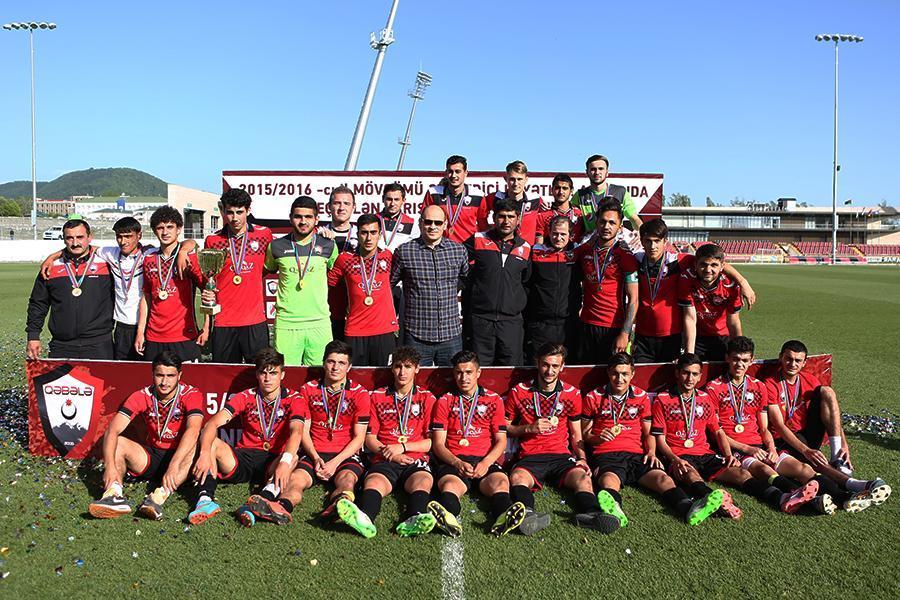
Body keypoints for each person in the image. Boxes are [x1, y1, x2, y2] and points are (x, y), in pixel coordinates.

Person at [708, 336, 882, 514]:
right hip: (747, 447)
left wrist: (771, 448)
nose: (740, 364)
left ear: (751, 360)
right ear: (727, 358)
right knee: (766, 469)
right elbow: (718, 431)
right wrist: (749, 449)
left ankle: (845, 495)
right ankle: (816, 499)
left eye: (745, 360)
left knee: (804, 468)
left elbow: (764, 428)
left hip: (766, 445)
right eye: (736, 359)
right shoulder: (715, 388)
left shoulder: (758, 386)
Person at [652, 353, 818, 519]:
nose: (690, 378)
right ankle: (713, 501)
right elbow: (660, 439)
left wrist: (728, 455)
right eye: (686, 373)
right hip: (680, 455)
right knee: (691, 474)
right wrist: (675, 459)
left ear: (700, 376)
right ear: (677, 373)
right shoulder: (663, 399)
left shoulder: (704, 398)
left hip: (706, 454)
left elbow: (718, 431)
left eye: (694, 374)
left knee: (742, 474)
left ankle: (782, 498)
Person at [582, 352, 724, 528]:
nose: (620, 379)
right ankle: (615, 509)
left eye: (625, 374)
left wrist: (651, 452)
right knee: (609, 480)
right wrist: (597, 438)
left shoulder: (641, 397)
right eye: (615, 373)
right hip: (607, 454)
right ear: (608, 373)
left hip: (638, 454)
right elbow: (585, 436)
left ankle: (689, 508)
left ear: (632, 374)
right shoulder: (593, 397)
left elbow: (648, 432)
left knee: (663, 480)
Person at [763, 340, 891, 507]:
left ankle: (836, 456)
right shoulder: (770, 383)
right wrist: (806, 450)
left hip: (806, 433)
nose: (792, 364)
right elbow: (779, 426)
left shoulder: (809, 380)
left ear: (804, 362)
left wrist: (844, 444)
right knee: (812, 463)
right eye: (789, 358)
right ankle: (858, 486)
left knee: (827, 392)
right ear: (780, 357)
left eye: (798, 360)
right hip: (784, 438)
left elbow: (832, 414)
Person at [188, 347, 305, 525]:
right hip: (245, 457)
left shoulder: (295, 399)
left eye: (273, 373)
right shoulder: (245, 396)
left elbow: (296, 431)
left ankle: (261, 500)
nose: (267, 378)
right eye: (263, 373)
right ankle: (205, 500)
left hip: (273, 461)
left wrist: (284, 462)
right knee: (212, 443)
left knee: (293, 457)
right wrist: (204, 453)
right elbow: (212, 424)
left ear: (282, 375)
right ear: (257, 374)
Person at [506, 343, 614, 533]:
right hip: (531, 455)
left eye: (555, 366)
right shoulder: (519, 391)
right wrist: (528, 428)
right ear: (537, 363)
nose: (549, 371)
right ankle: (527, 516)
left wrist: (582, 458)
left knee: (582, 478)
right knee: (517, 477)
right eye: (545, 365)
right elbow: (505, 427)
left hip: (560, 456)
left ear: (562, 367)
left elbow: (576, 433)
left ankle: (592, 514)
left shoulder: (571, 394)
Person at [87, 351, 203, 520]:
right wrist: (110, 466)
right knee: (119, 442)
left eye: (170, 376)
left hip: (180, 459)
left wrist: (174, 464)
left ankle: (157, 498)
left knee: (195, 443)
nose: (164, 382)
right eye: (160, 375)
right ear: (152, 374)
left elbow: (193, 429)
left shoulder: (191, 394)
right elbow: (112, 430)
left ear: (180, 375)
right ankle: (114, 494)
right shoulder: (141, 396)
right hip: (152, 456)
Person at [336, 346, 438, 538]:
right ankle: (365, 518)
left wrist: (403, 447)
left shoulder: (427, 398)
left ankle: (415, 517)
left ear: (417, 369)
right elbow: (370, 439)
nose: (402, 372)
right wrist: (391, 454)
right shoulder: (377, 396)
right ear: (392, 368)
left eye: (408, 367)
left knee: (423, 481)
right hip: (384, 457)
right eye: (398, 366)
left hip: (414, 458)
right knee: (374, 482)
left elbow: (431, 442)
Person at [428, 350, 527, 537]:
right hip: (455, 460)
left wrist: (486, 463)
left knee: (500, 483)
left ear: (478, 373)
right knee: (450, 486)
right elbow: (438, 444)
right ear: (454, 374)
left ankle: (504, 517)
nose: (463, 378)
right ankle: (447, 516)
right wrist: (457, 462)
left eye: (468, 372)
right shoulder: (445, 401)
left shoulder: (494, 400)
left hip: (484, 459)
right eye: (459, 373)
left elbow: (501, 440)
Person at [632, 219, 756, 363]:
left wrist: (742, 281)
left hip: (672, 334)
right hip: (643, 334)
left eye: (657, 241)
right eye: (648, 241)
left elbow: (714, 261)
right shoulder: (635, 261)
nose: (652, 246)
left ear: (665, 241)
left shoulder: (679, 261)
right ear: (642, 241)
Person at [279, 341, 370, 522]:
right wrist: (315, 457)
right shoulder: (308, 389)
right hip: (314, 452)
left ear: (349, 367)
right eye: (331, 361)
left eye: (341, 363)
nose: (335, 367)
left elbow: (359, 438)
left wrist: (335, 462)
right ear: (323, 363)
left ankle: (341, 507)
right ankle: (282, 508)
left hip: (344, 455)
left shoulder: (360, 393)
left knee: (347, 480)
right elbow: (303, 431)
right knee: (295, 480)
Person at [390, 205, 469, 366]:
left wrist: (449, 289)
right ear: (420, 223)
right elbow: (389, 284)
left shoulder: (458, 250)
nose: (433, 226)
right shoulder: (404, 252)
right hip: (417, 334)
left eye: (438, 223)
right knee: (416, 380)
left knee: (451, 380)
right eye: (428, 222)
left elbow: (466, 280)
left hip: (450, 334)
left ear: (445, 225)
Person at [201, 188, 273, 363]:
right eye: (230, 212)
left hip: (254, 320)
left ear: (248, 210)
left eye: (239, 212)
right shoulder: (213, 241)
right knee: (224, 374)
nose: (234, 218)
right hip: (224, 321)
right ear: (223, 211)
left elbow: (267, 267)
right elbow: (210, 280)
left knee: (258, 373)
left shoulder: (264, 235)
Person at [264, 196, 338, 366]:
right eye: (298, 216)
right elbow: (268, 268)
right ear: (290, 218)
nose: (303, 221)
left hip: (319, 322)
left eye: (308, 217)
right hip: (287, 323)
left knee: (320, 374)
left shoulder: (329, 246)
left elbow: (337, 272)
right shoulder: (276, 246)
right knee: (288, 374)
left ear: (316, 219)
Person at [27, 219, 114, 359]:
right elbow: (38, 303)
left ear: (90, 237)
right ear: (64, 239)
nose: (75, 243)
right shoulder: (51, 267)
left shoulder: (107, 263)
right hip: (61, 344)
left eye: (80, 237)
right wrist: (33, 335)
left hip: (99, 343)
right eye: (69, 238)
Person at [462, 198, 531, 366]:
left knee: (510, 372)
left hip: (511, 323)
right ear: (494, 218)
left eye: (511, 216)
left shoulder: (526, 248)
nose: (506, 221)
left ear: (518, 219)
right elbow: (458, 266)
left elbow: (526, 282)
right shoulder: (478, 239)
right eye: (501, 216)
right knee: (479, 371)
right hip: (481, 321)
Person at [135, 207, 208, 362]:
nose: (165, 232)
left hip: (184, 335)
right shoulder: (149, 259)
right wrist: (140, 332)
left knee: (189, 377)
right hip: (154, 336)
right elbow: (147, 297)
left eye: (170, 227)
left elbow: (208, 291)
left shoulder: (189, 258)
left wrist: (207, 327)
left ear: (178, 229)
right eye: (160, 228)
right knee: (156, 377)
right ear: (154, 231)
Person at [573, 198, 639, 364]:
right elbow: (565, 257)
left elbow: (634, 299)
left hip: (613, 328)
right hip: (586, 324)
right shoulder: (585, 251)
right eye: (602, 221)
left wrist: (625, 333)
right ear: (596, 222)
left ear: (620, 227)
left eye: (612, 222)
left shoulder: (625, 255)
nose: (606, 226)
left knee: (609, 375)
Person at [327, 214, 397, 366]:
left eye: (373, 232)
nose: (369, 238)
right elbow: (328, 284)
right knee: (355, 377)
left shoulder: (388, 257)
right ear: (357, 234)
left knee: (383, 377)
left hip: (384, 330)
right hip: (355, 330)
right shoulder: (345, 259)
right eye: (364, 232)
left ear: (380, 235)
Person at [525, 215, 580, 362]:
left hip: (567, 324)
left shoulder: (578, 252)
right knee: (538, 366)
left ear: (570, 235)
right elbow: (526, 284)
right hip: (540, 324)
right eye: (555, 233)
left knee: (566, 367)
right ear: (548, 232)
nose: (558, 238)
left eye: (563, 234)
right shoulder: (535, 252)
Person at [678, 243, 742, 362]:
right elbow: (690, 318)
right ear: (695, 264)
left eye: (714, 265)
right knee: (692, 368)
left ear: (722, 266)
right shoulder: (686, 278)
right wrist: (689, 354)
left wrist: (739, 351)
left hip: (722, 336)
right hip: (697, 336)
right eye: (703, 264)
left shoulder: (731, 285)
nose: (708, 270)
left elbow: (733, 322)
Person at [318, 185, 358, 342]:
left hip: (354, 304)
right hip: (326, 304)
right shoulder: (318, 235)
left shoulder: (363, 235)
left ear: (353, 207)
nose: (342, 208)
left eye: (346, 203)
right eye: (337, 203)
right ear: (329, 207)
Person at [421, 155, 488, 244]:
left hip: (468, 247)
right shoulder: (433, 193)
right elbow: (423, 220)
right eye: (450, 171)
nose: (453, 175)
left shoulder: (478, 195)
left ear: (466, 173)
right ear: (446, 172)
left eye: (458, 171)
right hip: (441, 246)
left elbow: (483, 226)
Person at [571, 154, 643, 234]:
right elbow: (569, 218)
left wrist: (641, 232)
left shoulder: (620, 192)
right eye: (593, 169)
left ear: (607, 172)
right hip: (590, 240)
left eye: (601, 169)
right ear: (587, 172)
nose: (597, 172)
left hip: (614, 239)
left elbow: (634, 219)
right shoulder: (580, 195)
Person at [482, 161, 541, 245]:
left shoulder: (535, 200)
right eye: (512, 179)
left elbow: (544, 222)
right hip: (500, 247)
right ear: (506, 179)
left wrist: (538, 244)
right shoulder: (495, 198)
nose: (516, 184)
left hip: (526, 249)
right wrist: (487, 232)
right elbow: (480, 215)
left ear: (526, 179)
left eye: (519, 179)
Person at [535, 174, 583, 245]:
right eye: (557, 188)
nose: (561, 192)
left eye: (565, 188)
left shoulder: (580, 215)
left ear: (571, 190)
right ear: (552, 190)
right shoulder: (542, 216)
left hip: (576, 251)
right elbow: (539, 246)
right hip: (550, 251)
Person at [378, 183, 419, 252]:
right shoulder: (374, 219)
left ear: (403, 200)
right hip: (377, 258)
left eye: (396, 199)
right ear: (383, 199)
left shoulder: (412, 223)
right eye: (389, 199)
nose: (392, 204)